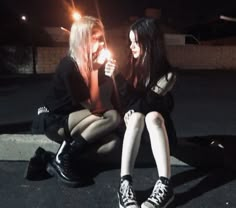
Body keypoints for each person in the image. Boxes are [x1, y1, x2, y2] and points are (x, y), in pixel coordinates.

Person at [30, 16, 121, 187]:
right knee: (112, 117)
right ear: (82, 40)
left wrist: (112, 76)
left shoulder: (92, 64)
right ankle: (64, 157)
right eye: (95, 38)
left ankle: (62, 155)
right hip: (56, 120)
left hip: (78, 119)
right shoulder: (69, 66)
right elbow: (96, 107)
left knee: (112, 144)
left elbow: (108, 97)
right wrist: (95, 71)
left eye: (102, 38)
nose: (102, 44)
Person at [107, 17, 177, 208]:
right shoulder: (130, 65)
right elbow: (117, 100)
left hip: (158, 130)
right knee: (137, 116)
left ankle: (164, 185)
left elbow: (148, 103)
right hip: (134, 127)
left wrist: (121, 85)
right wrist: (116, 79)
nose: (131, 47)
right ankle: (125, 184)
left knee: (152, 116)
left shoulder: (167, 74)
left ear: (150, 42)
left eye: (135, 42)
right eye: (130, 42)